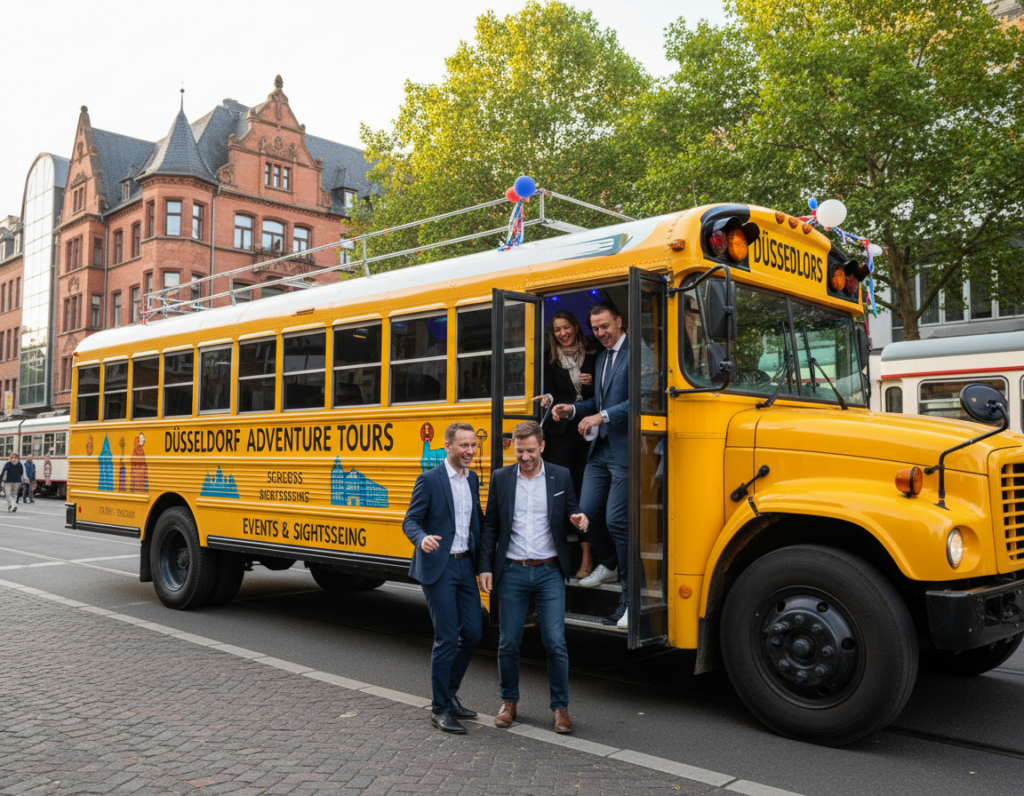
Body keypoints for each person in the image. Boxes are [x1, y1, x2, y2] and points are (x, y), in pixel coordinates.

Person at [479, 421, 589, 734]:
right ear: (513, 447)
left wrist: (578, 517)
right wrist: (485, 567)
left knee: (555, 642)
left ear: (541, 446)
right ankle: (508, 702)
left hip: (549, 571)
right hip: (512, 570)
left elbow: (572, 509)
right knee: (508, 642)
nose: (525, 456)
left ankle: (560, 709)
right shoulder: (501, 478)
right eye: (519, 450)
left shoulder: (560, 475)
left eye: (530, 450)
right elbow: (490, 526)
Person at [549, 301, 630, 628]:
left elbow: (642, 398)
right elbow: (598, 401)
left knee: (616, 520)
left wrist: (601, 415)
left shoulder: (638, 353)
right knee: (585, 513)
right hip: (601, 448)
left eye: (605, 327)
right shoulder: (604, 358)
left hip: (624, 449)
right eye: (596, 329)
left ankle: (628, 597)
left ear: (619, 322)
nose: (601, 333)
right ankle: (608, 562)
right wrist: (573, 409)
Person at [402, 422, 484, 735]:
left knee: (474, 633)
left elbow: (476, 522)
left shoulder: (473, 479)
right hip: (439, 567)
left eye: (473, 446)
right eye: (464, 445)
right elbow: (410, 520)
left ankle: (449, 694)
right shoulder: (429, 480)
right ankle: (440, 709)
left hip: (465, 566)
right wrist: (421, 538)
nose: (470, 451)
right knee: (447, 636)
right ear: (448, 447)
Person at [533, 311, 597, 578]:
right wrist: (548, 399)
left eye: (566, 327)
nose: (562, 333)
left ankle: (587, 555)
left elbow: (605, 393)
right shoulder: (550, 360)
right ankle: (558, 555)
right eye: (557, 329)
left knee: (586, 494)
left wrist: (592, 383)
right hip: (560, 434)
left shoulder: (594, 356)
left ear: (575, 327)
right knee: (561, 494)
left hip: (588, 431)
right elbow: (549, 391)